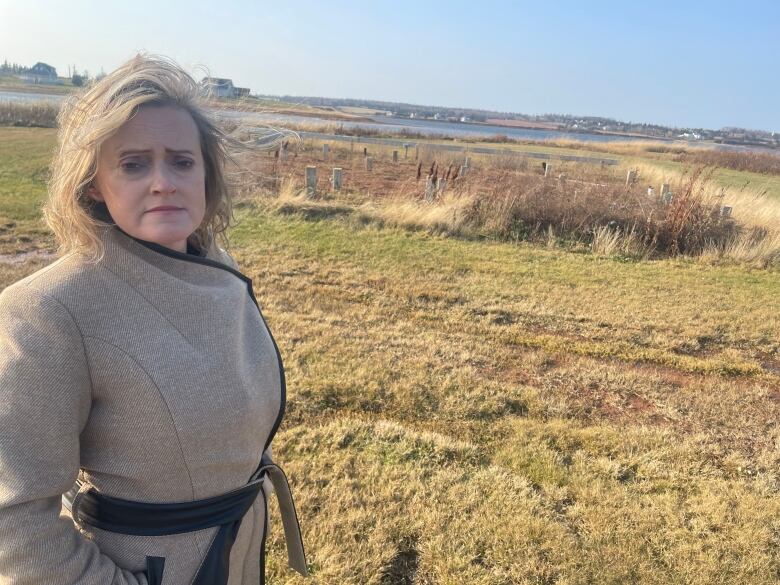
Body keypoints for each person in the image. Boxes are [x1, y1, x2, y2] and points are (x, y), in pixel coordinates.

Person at [0, 54, 307, 585]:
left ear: (206, 173)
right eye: (134, 163)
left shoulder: (216, 267)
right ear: (94, 183)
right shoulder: (49, 310)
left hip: (237, 553)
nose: (164, 181)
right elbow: (13, 520)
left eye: (182, 161)